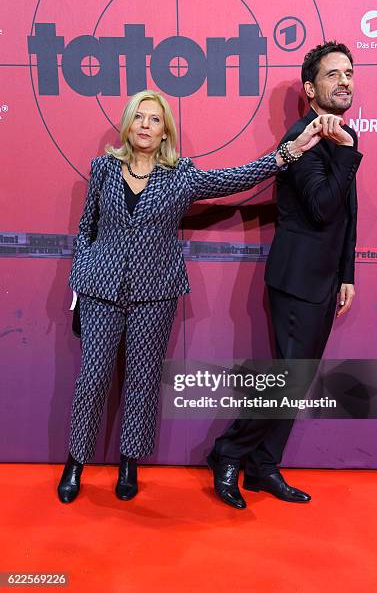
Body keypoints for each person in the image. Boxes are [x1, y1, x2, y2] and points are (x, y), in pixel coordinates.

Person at [57, 89, 329, 503]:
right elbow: (86, 230)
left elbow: (233, 177)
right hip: (100, 288)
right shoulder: (102, 169)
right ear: (127, 124)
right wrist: (78, 286)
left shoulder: (181, 175)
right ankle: (76, 462)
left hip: (156, 291)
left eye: (154, 118)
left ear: (165, 128)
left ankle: (129, 461)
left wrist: (286, 154)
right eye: (139, 117)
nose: (145, 125)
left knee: (143, 380)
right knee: (91, 379)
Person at [208, 41, 363, 509]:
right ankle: (229, 453)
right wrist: (349, 152)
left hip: (323, 281)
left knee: (297, 380)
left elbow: (347, 216)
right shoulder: (302, 141)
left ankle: (263, 465)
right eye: (333, 75)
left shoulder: (340, 137)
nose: (344, 82)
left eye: (349, 73)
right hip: (295, 280)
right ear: (311, 89)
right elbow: (320, 208)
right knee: (288, 379)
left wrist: (347, 274)